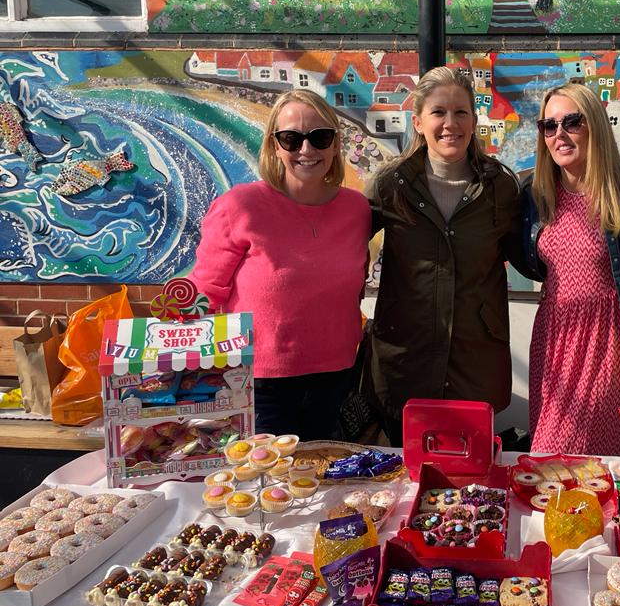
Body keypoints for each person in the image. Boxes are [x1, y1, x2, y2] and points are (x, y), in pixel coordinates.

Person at [191, 89, 370, 440]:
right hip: (259, 384)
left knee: (325, 487)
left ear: (335, 145)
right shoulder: (239, 206)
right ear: (275, 146)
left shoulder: (357, 209)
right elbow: (203, 294)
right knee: (269, 488)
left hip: (337, 379)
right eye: (292, 139)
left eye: (320, 138)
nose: (307, 150)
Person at [366, 66, 522, 445]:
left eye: (460, 112)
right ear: (418, 122)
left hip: (475, 358)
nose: (450, 123)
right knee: (408, 476)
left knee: (472, 481)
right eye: (438, 112)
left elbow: (532, 254)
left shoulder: (500, 186)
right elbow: (346, 252)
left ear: (474, 119)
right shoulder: (391, 185)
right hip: (407, 356)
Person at [521, 83, 620, 456]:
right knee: (549, 456)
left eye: (571, 122)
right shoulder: (536, 194)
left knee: (573, 453)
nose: (559, 134)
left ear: (594, 125)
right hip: (553, 336)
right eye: (548, 126)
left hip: (607, 339)